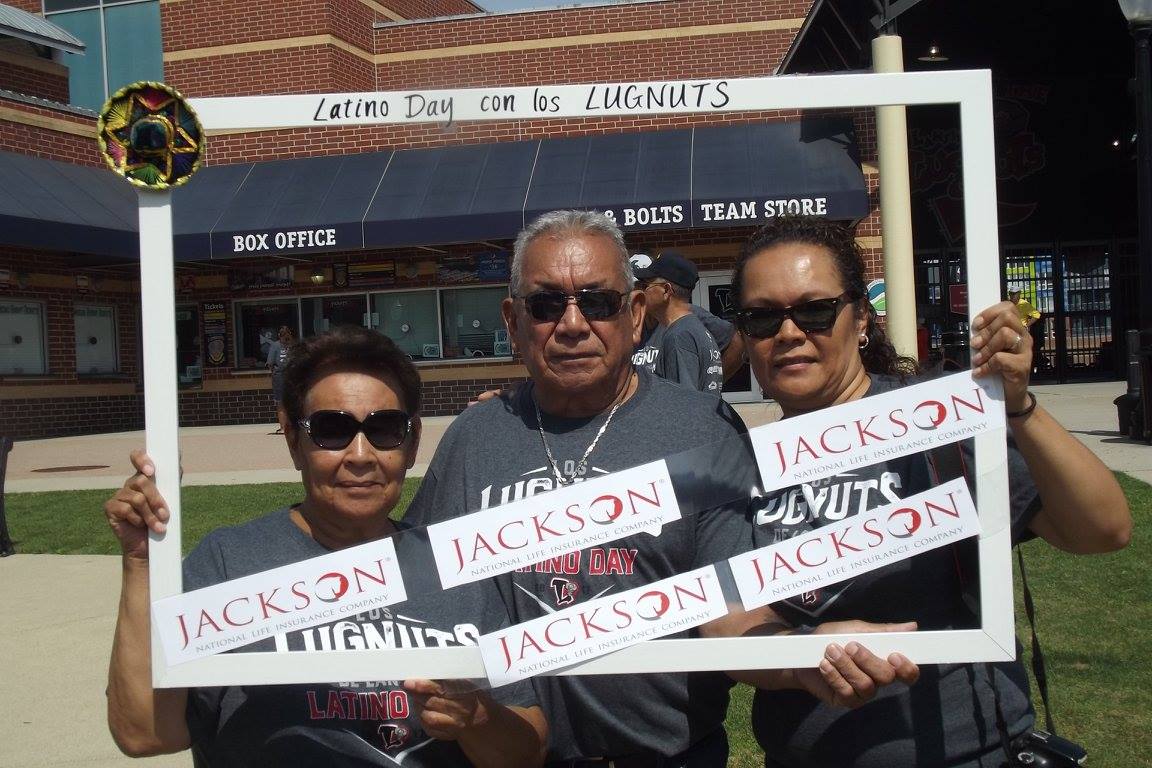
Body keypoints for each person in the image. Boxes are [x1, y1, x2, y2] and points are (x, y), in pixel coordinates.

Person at [405, 210, 917, 766]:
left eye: (597, 301)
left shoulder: (702, 431)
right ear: (512, 320)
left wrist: (803, 656)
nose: (573, 324)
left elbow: (732, 606)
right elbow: (411, 585)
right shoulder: (474, 437)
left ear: (633, 313)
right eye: (546, 304)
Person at [730, 216, 1131, 767]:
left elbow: (1102, 530)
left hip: (961, 750)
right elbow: (732, 615)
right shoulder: (741, 462)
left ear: (861, 319)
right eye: (762, 317)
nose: (790, 332)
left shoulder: (935, 421)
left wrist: (1018, 406)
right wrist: (798, 654)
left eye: (815, 310)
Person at [104, 326, 547, 767]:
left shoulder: (454, 567)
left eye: (386, 429)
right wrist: (141, 563)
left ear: (412, 444)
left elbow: (527, 752)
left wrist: (479, 720)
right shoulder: (229, 563)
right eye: (331, 430)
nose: (360, 454)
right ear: (292, 439)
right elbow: (143, 732)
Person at [630, 250, 724, 394]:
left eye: (645, 286)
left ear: (666, 290)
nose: (640, 293)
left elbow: (683, 404)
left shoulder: (679, 336)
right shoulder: (694, 329)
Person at [1009, 286, 1044, 373]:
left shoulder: (1024, 304)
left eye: (1014, 294)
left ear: (1019, 294)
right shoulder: (1008, 304)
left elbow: (1036, 315)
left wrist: (1027, 326)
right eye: (1011, 294)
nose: (1012, 296)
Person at [267, 325, 295, 432]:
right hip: (291, 375)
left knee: (281, 402)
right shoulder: (293, 345)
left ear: (279, 336)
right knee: (290, 401)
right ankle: (291, 427)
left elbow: (270, 363)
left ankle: (284, 427)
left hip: (280, 376)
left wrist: (273, 371)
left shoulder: (275, 345)